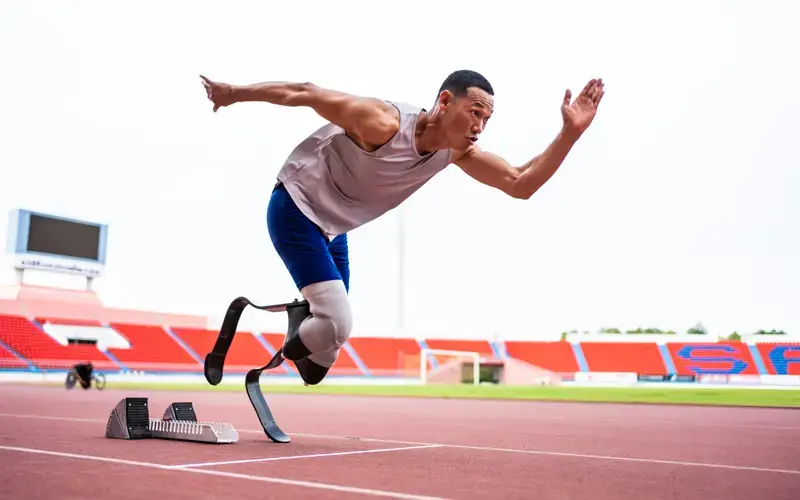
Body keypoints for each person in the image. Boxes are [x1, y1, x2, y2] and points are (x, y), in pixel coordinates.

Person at [200, 70, 605, 386]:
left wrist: (569, 134)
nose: (480, 126)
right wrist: (232, 93)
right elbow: (305, 92)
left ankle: (300, 322)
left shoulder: (456, 152)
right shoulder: (382, 122)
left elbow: (520, 183)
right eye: (474, 112)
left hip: (334, 228)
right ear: (445, 101)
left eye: (487, 118)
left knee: (320, 361)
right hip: (296, 207)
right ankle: (292, 338)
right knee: (337, 324)